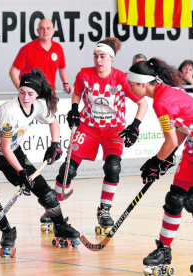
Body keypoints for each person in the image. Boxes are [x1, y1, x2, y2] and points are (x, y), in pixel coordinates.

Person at [0, 68, 79, 257]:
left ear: (37, 94)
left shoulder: (38, 106)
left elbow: (53, 122)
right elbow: (4, 147)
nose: (25, 97)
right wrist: (22, 172)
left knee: (46, 194)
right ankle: (7, 232)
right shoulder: (9, 112)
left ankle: (60, 225)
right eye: (22, 92)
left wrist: (54, 144)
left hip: (14, 153)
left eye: (30, 93)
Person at [48, 37, 148, 234]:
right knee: (68, 170)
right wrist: (75, 108)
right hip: (88, 128)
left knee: (113, 167)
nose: (98, 60)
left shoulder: (121, 78)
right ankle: (53, 208)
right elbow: (77, 92)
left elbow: (143, 103)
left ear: (111, 58)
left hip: (113, 130)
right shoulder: (85, 74)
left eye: (102, 56)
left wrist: (135, 125)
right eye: (95, 56)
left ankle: (104, 209)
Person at [128, 58, 193, 275]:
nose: (129, 87)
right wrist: (166, 158)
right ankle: (163, 250)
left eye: (131, 84)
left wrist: (155, 161)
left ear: (143, 84)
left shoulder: (161, 101)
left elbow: (171, 141)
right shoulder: (166, 92)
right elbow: (181, 130)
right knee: (174, 199)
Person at [9, 19, 73, 94]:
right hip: (30, 95)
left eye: (48, 28)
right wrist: (22, 90)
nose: (45, 31)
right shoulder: (27, 49)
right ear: (38, 31)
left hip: (49, 94)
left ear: (53, 30)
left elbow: (62, 67)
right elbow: (13, 71)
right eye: (42, 28)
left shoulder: (58, 48)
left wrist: (65, 84)